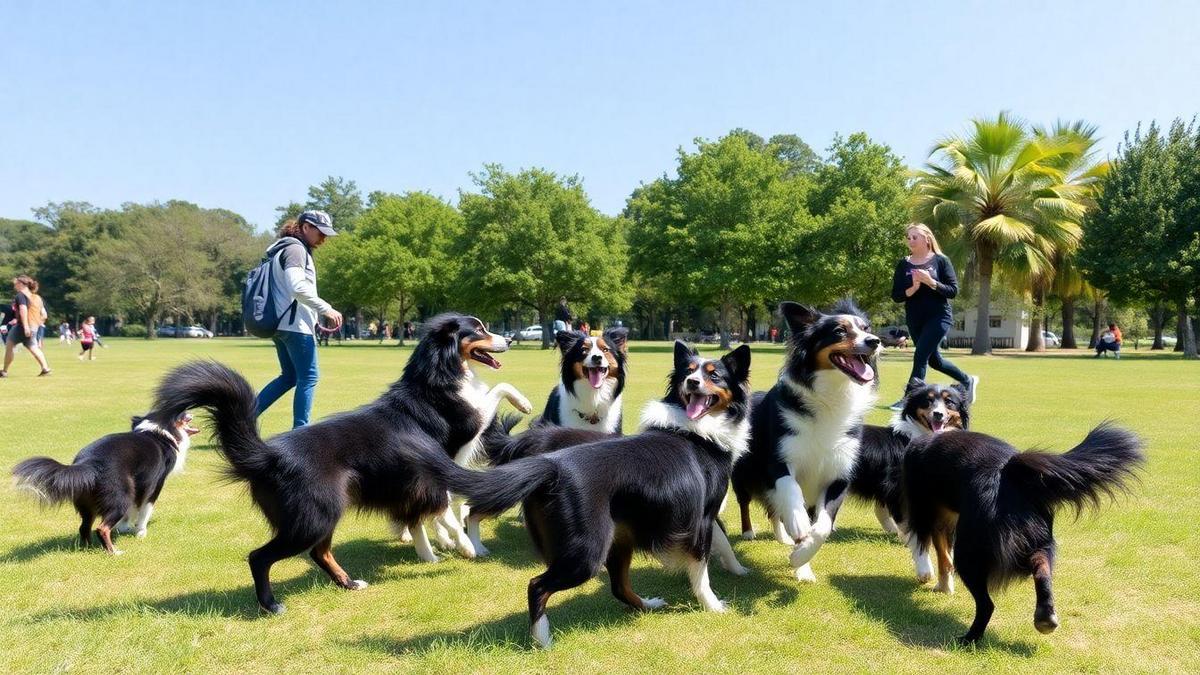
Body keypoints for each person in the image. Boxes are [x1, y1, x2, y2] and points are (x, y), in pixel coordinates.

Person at [254, 211, 344, 428]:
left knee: (289, 377)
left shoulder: (283, 248)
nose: (323, 239)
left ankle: (241, 418)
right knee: (309, 377)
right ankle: (300, 432)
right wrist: (326, 308)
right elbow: (297, 286)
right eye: (320, 233)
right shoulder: (295, 249)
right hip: (295, 325)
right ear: (305, 227)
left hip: (281, 324)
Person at [888, 224, 977, 411]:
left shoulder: (941, 261)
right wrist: (914, 286)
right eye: (908, 237)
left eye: (915, 237)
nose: (910, 240)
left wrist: (931, 282)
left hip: (939, 317)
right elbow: (896, 295)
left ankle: (908, 399)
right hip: (915, 318)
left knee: (920, 355)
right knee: (934, 360)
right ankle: (966, 379)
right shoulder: (903, 264)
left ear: (927, 239)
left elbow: (953, 291)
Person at [1, 275, 52, 377]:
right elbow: (44, 315)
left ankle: (4, 371)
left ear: (22, 284)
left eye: (16, 283)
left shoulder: (20, 295)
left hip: (23, 326)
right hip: (34, 326)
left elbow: (23, 309)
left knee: (10, 344)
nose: (15, 285)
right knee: (33, 347)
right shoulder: (37, 298)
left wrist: (26, 326)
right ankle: (45, 368)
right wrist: (35, 324)